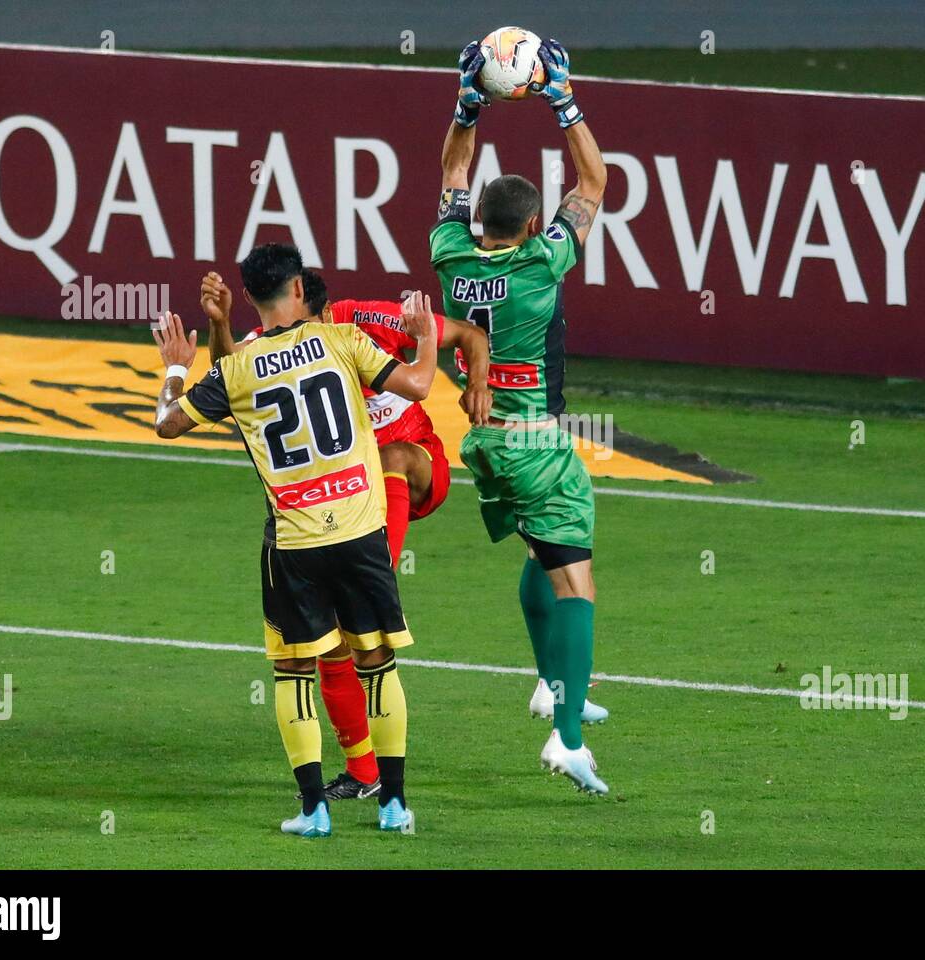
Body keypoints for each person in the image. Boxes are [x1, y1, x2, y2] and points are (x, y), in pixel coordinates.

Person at [151, 242, 438, 834]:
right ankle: (394, 805)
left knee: (293, 672)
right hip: (361, 528)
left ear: (253, 298)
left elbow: (168, 424)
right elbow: (419, 383)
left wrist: (177, 367)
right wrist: (425, 333)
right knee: (378, 664)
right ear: (301, 290)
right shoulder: (343, 340)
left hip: (295, 543)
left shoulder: (237, 369)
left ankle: (314, 811)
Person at [198, 267, 491, 801]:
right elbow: (226, 371)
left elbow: (472, 335)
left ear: (309, 307)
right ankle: (363, 772)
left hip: (414, 471)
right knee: (332, 647)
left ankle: (381, 572)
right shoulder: (272, 345)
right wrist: (217, 324)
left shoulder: (364, 323)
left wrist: (476, 383)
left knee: (389, 455)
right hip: (345, 504)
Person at [431, 38, 611, 794]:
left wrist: (469, 106)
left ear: (481, 224)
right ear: (535, 225)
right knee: (578, 586)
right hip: (537, 444)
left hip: (487, 441)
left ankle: (550, 685)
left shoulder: (450, 254)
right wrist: (561, 98)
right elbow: (595, 182)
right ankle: (566, 740)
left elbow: (452, 173)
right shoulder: (542, 266)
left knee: (543, 561)